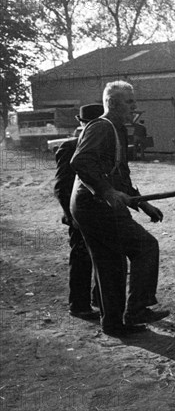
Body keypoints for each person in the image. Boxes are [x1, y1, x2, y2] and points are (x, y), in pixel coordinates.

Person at [70, 80, 169, 336]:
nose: (134, 106)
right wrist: (106, 191)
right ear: (113, 104)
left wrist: (143, 204)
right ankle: (137, 309)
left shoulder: (117, 130)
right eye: (130, 101)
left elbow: (120, 176)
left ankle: (113, 323)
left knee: (109, 262)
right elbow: (80, 161)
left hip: (89, 205)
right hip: (95, 205)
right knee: (145, 246)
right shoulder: (101, 127)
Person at [54, 103, 104, 320]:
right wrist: (71, 214)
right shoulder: (70, 146)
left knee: (104, 256)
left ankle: (98, 298)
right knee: (82, 257)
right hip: (79, 214)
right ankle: (79, 305)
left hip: (100, 212)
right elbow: (61, 186)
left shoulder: (103, 142)